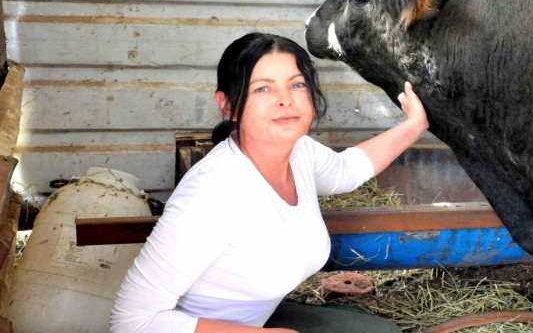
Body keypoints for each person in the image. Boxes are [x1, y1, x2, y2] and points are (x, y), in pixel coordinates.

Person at [110, 32, 429, 333]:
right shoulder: (213, 194)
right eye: (263, 88)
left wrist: (415, 125)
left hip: (260, 319)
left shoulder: (300, 153)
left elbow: (347, 169)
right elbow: (132, 322)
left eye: (297, 85)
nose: (285, 100)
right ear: (228, 105)